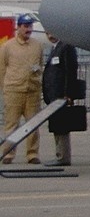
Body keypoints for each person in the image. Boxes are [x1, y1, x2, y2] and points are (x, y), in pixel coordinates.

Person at [1, 16, 46, 164]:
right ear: (18, 27)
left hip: (32, 91)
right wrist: (4, 87)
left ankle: (32, 154)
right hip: (14, 90)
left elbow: (39, 65)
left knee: (32, 124)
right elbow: (2, 68)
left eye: (30, 26)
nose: (29, 29)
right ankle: (8, 153)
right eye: (26, 26)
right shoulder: (8, 46)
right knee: (12, 124)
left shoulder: (37, 46)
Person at [42, 33, 80, 166]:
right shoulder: (55, 48)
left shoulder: (66, 47)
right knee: (56, 126)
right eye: (47, 33)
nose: (50, 35)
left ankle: (63, 157)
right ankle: (59, 154)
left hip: (61, 95)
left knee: (61, 127)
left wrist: (68, 93)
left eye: (52, 32)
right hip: (53, 96)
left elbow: (71, 71)